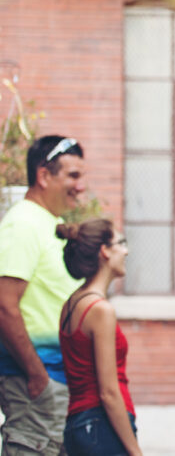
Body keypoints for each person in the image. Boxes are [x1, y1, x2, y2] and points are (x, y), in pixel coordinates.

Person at [0, 136, 86, 455]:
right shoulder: (22, 223)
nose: (81, 186)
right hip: (37, 383)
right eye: (73, 175)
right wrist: (37, 375)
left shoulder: (49, 223)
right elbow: (4, 306)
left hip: (59, 382)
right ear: (44, 175)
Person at [57, 219, 141, 456]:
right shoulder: (100, 310)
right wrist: (135, 451)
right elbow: (108, 391)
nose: (126, 251)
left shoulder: (71, 304)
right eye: (120, 243)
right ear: (104, 251)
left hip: (77, 426)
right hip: (101, 426)